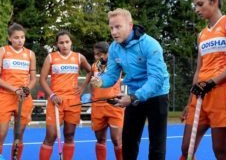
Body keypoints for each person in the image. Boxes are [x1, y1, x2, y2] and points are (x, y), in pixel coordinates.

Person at [90, 8, 170, 160]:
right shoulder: (114, 47)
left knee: (157, 145)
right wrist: (101, 82)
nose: (114, 32)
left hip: (157, 94)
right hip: (134, 95)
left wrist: (133, 97)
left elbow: (156, 79)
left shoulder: (150, 45)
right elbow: (112, 76)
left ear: (130, 25)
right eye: (111, 28)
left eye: (118, 27)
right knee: (128, 142)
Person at [179, 0, 226, 160]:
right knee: (186, 147)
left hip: (222, 94)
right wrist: (189, 101)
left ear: (214, 1)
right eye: (195, 5)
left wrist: (212, 82)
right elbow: (199, 69)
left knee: (220, 150)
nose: (196, 9)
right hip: (200, 95)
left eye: (200, 4)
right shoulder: (201, 34)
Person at [39, 30, 91, 160]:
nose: (64, 45)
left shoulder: (79, 57)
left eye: (67, 42)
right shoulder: (51, 57)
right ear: (57, 44)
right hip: (56, 101)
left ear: (71, 42)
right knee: (50, 136)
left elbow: (91, 71)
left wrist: (83, 87)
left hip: (73, 101)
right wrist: (51, 95)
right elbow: (42, 79)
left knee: (69, 134)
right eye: (61, 42)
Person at [0, 23, 37, 160]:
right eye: (16, 38)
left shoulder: (30, 54)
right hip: (5, 97)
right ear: (9, 38)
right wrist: (14, 89)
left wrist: (27, 89)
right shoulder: (3, 51)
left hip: (23, 99)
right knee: (1, 133)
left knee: (19, 135)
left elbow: (33, 79)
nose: (20, 40)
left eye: (22, 37)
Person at [89, 41, 124, 160]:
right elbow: (91, 81)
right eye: (95, 54)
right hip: (98, 106)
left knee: (116, 139)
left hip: (114, 105)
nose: (97, 57)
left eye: (100, 54)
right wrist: (91, 95)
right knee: (100, 139)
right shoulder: (94, 66)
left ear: (108, 53)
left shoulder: (117, 64)